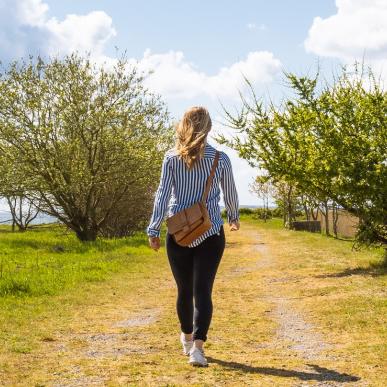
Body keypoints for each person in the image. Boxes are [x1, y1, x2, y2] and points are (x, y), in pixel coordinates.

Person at [146, 106, 240, 367]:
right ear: (209, 128)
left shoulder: (171, 158)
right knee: (202, 290)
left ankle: (189, 340)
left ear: (183, 125)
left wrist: (154, 228)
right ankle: (197, 348)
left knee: (185, 290)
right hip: (210, 231)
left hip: (178, 233)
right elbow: (229, 191)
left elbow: (162, 195)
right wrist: (233, 216)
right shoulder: (220, 158)